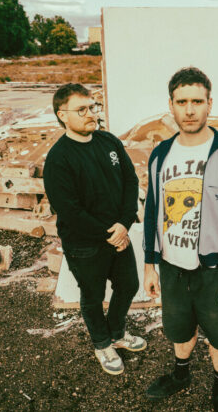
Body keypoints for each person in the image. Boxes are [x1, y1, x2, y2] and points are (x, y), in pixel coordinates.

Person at [143, 67, 218, 412]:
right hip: (172, 267)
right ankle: (181, 375)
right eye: (181, 102)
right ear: (171, 105)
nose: (189, 110)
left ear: (209, 104)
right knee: (179, 330)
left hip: (214, 270)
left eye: (197, 101)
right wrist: (150, 263)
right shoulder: (160, 154)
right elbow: (152, 211)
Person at [43, 83, 146, 376]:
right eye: (82, 110)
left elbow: (130, 181)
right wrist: (111, 233)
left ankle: (116, 333)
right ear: (62, 115)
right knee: (92, 295)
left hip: (119, 234)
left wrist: (124, 224)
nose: (91, 114)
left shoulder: (108, 141)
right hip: (85, 244)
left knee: (128, 285)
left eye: (93, 107)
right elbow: (70, 211)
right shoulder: (59, 159)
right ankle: (102, 344)